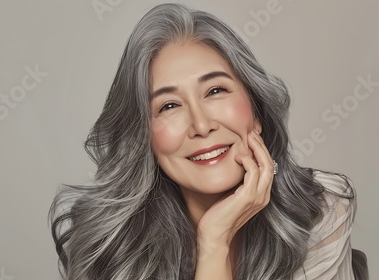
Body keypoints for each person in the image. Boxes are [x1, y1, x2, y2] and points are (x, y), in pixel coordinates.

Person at [49, 3, 362, 279]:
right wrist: (214, 243)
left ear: (256, 109)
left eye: (215, 91)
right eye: (168, 106)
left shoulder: (320, 211)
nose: (201, 125)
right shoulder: (108, 245)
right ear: (143, 136)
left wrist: (214, 241)